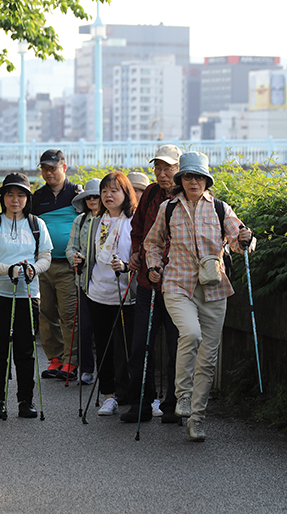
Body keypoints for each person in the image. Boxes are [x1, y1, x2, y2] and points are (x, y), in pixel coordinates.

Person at [144, 151, 253, 442]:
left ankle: (197, 417)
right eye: (189, 176)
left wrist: (246, 239)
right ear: (181, 180)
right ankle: (182, 395)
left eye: (200, 177)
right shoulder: (168, 208)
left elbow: (239, 237)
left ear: (207, 181)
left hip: (214, 287)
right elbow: (152, 243)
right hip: (177, 285)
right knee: (190, 334)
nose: (194, 181)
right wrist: (154, 266)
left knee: (208, 357)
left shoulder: (220, 208)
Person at [0, 172, 52, 419]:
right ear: (3, 198)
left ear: (27, 198)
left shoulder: (36, 224)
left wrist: (32, 269)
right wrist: (7, 269)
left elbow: (45, 258)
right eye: (10, 194)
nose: (15, 199)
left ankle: (25, 401)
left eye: (20, 194)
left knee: (25, 350)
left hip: (27, 294)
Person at [123, 145, 183, 424]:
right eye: (157, 168)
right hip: (147, 281)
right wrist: (136, 252)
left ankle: (172, 404)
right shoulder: (149, 193)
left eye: (167, 168)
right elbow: (138, 228)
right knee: (140, 345)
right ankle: (141, 403)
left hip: (178, 285)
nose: (161, 173)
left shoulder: (190, 195)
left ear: (180, 168)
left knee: (176, 346)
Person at [72, 172, 137, 416]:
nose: (108, 196)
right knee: (104, 346)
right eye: (104, 191)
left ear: (125, 194)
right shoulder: (94, 222)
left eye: (114, 191)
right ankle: (108, 395)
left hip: (126, 294)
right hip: (97, 292)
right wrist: (80, 260)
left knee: (130, 347)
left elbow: (140, 254)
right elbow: (89, 253)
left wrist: (128, 266)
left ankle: (134, 394)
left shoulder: (133, 222)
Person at [32, 149, 82, 381]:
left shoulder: (77, 194)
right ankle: (55, 358)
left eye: (52, 168)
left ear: (64, 166)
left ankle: (71, 361)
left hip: (69, 266)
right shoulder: (37, 197)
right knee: (46, 312)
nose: (48, 172)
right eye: (44, 168)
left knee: (69, 314)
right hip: (43, 264)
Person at [65, 178, 102, 385]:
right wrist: (74, 258)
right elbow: (70, 248)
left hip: (106, 281)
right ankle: (87, 369)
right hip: (84, 282)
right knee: (85, 328)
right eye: (89, 197)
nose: (93, 200)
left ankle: (107, 372)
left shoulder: (110, 220)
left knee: (103, 329)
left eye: (96, 196)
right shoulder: (79, 221)